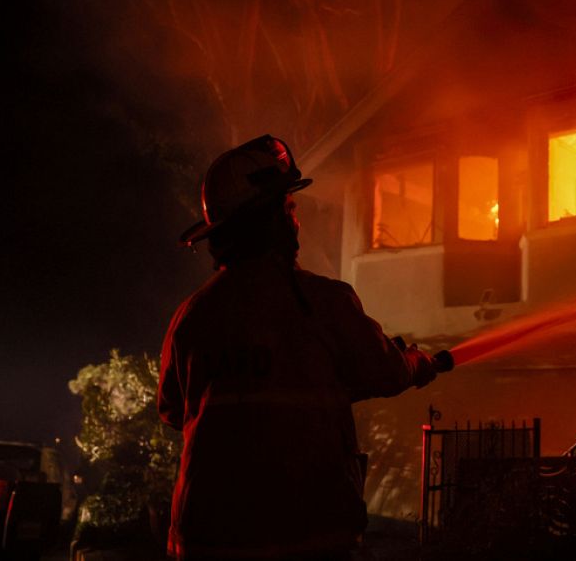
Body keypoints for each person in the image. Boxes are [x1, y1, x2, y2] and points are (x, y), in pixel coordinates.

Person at [158, 135, 437, 561]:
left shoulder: (191, 317)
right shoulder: (320, 302)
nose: (296, 221)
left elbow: (175, 410)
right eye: (289, 208)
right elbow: (386, 371)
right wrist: (417, 362)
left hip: (204, 539)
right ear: (268, 220)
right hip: (303, 535)